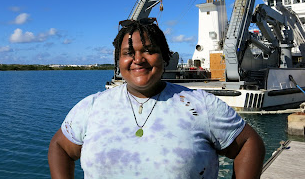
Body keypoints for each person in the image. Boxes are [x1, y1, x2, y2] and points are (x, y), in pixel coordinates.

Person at [48, 18, 265, 179]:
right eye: (128, 53)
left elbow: (249, 143)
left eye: (149, 50)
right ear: (118, 60)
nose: (138, 59)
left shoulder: (200, 105)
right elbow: (60, 147)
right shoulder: (92, 107)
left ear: (165, 57)